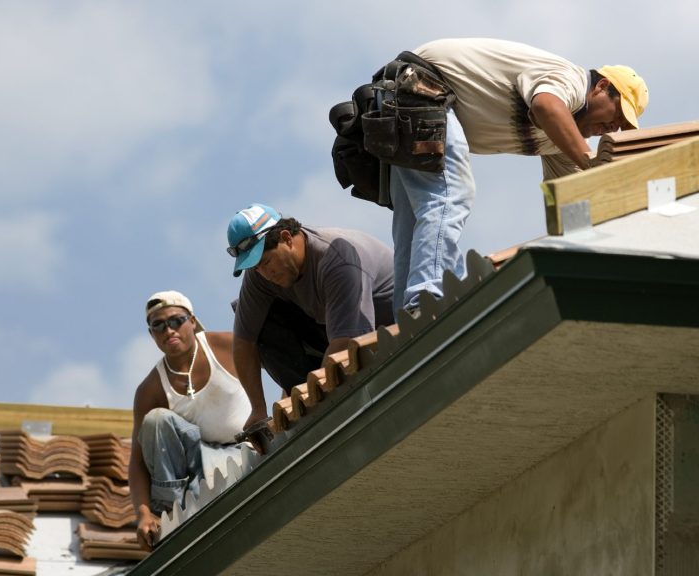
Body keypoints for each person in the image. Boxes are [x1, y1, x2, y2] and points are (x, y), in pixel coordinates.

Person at [373, 38, 649, 315]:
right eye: (618, 114)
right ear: (601, 87)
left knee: (414, 218)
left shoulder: (561, 141)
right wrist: (594, 163)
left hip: (405, 97)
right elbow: (546, 106)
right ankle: (425, 301)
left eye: (623, 126)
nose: (615, 127)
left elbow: (570, 200)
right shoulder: (572, 80)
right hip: (423, 86)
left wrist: (603, 241)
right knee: (452, 193)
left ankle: (405, 320)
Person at [227, 203, 394, 431]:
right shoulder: (260, 276)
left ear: (286, 238)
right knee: (258, 323)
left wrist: (306, 398)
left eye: (266, 262)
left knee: (339, 360)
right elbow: (243, 342)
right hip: (334, 336)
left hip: (378, 335)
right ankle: (304, 394)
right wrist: (257, 410)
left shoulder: (336, 257)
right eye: (256, 268)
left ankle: (311, 398)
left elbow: (348, 344)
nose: (265, 274)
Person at [129, 290, 250, 550]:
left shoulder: (224, 345)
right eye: (158, 326)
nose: (168, 330)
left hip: (244, 449)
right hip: (195, 465)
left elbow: (280, 361)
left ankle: (188, 517)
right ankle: (170, 517)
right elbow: (137, 461)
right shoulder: (150, 389)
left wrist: (277, 411)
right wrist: (143, 514)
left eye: (176, 321)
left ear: (192, 321)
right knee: (156, 421)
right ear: (151, 335)